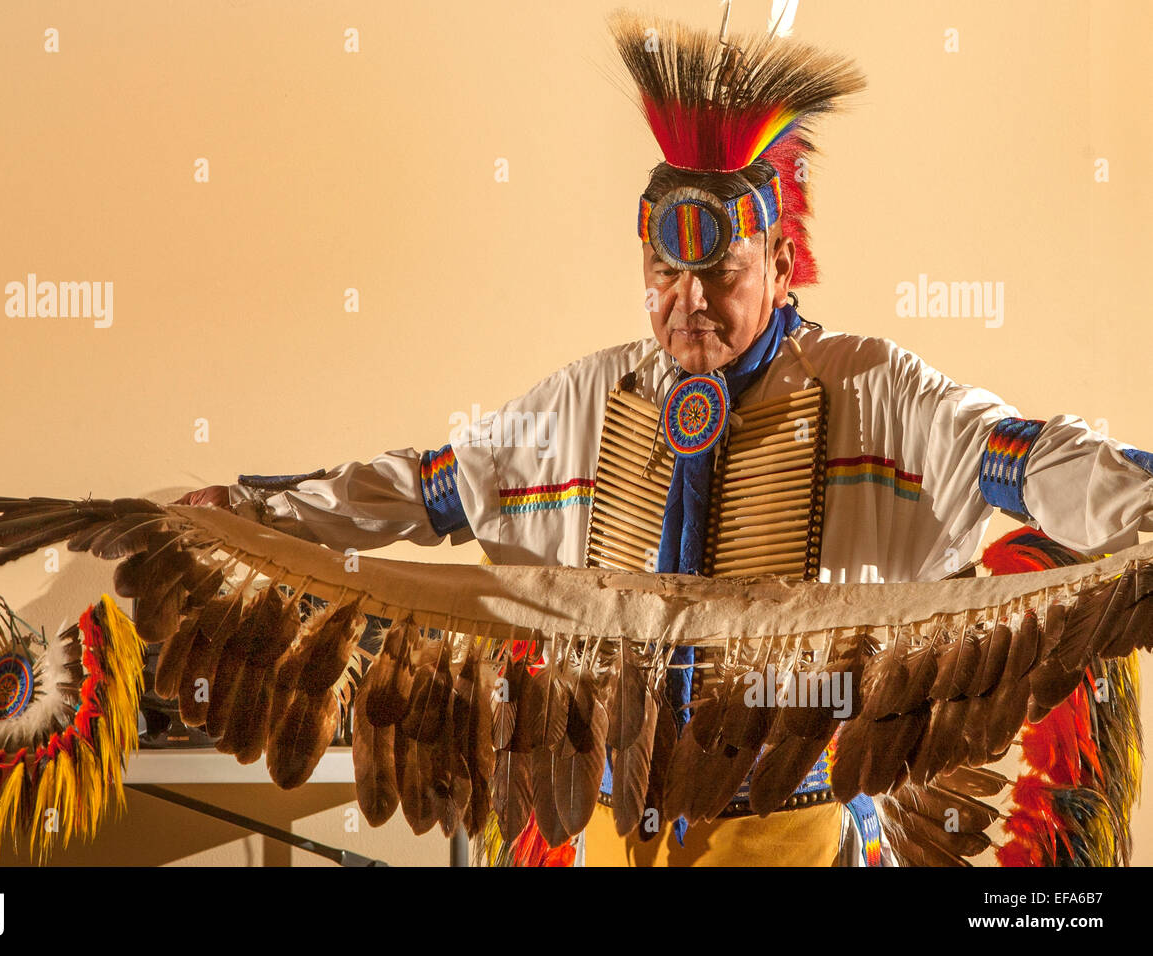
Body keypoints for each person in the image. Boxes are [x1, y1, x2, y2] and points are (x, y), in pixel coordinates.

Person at [176, 11, 1153, 866]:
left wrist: (1137, 505)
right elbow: (427, 486)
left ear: (778, 258)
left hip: (793, 826)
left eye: (717, 272)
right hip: (614, 825)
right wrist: (256, 509)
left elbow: (1025, 457)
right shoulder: (586, 399)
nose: (684, 301)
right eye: (660, 272)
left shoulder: (870, 390)